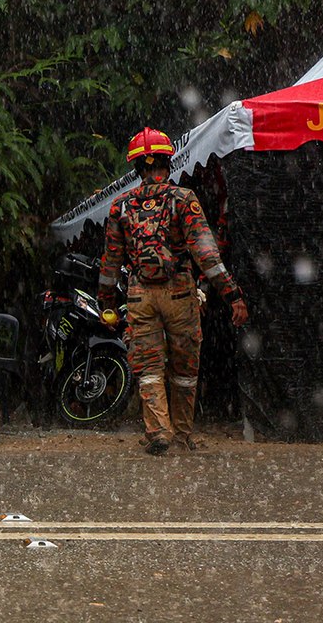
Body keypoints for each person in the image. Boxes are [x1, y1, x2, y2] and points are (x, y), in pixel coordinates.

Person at [97, 127, 249, 456]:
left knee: (149, 367)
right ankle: (181, 434)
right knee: (185, 369)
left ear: (137, 167)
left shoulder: (120, 206)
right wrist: (232, 295)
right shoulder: (183, 199)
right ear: (168, 163)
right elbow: (206, 255)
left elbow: (110, 263)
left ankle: (158, 431)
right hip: (180, 293)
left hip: (140, 295)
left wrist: (106, 304)